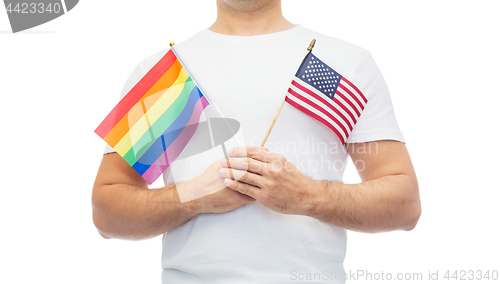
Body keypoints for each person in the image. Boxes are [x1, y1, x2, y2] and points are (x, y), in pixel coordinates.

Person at [92, 0, 421, 283]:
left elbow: (405, 204)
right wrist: (192, 197)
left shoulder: (347, 63)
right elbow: (106, 212)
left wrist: (307, 196)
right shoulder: (164, 74)